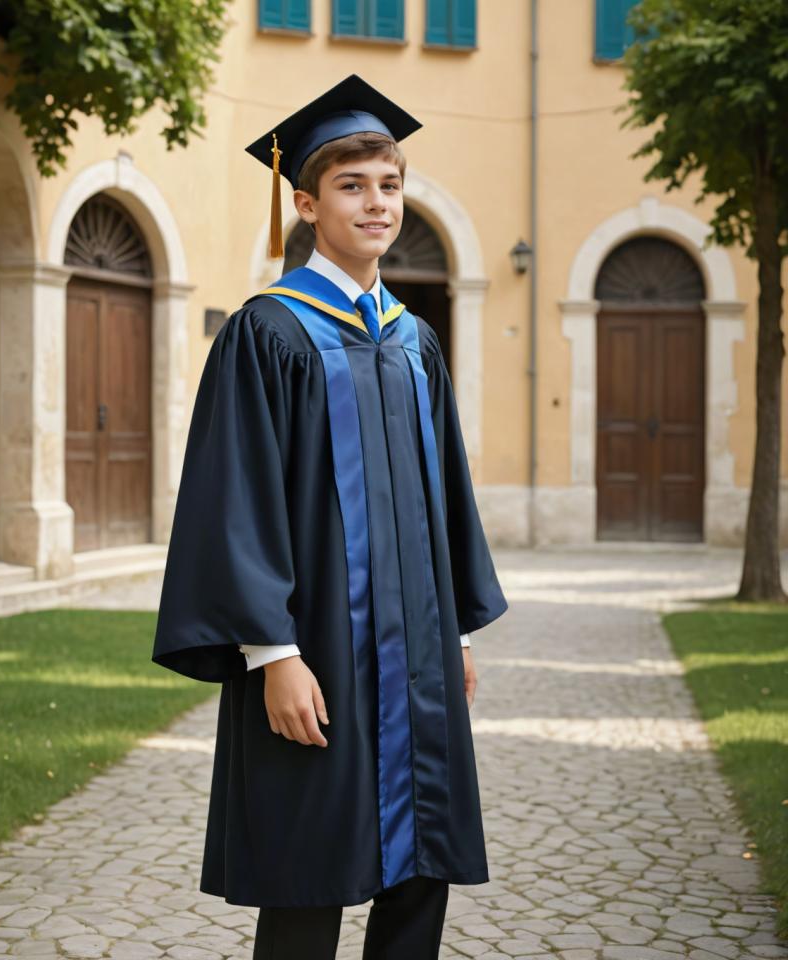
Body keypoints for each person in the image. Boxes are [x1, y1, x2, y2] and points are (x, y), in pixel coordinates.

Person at [151, 73, 508, 960]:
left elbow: (445, 496)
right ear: (306, 203)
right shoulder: (268, 333)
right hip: (320, 653)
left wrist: (457, 628)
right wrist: (273, 654)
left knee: (422, 869)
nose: (376, 203)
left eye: (390, 185)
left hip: (419, 653)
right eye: (352, 186)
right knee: (312, 870)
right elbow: (235, 500)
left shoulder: (414, 339)